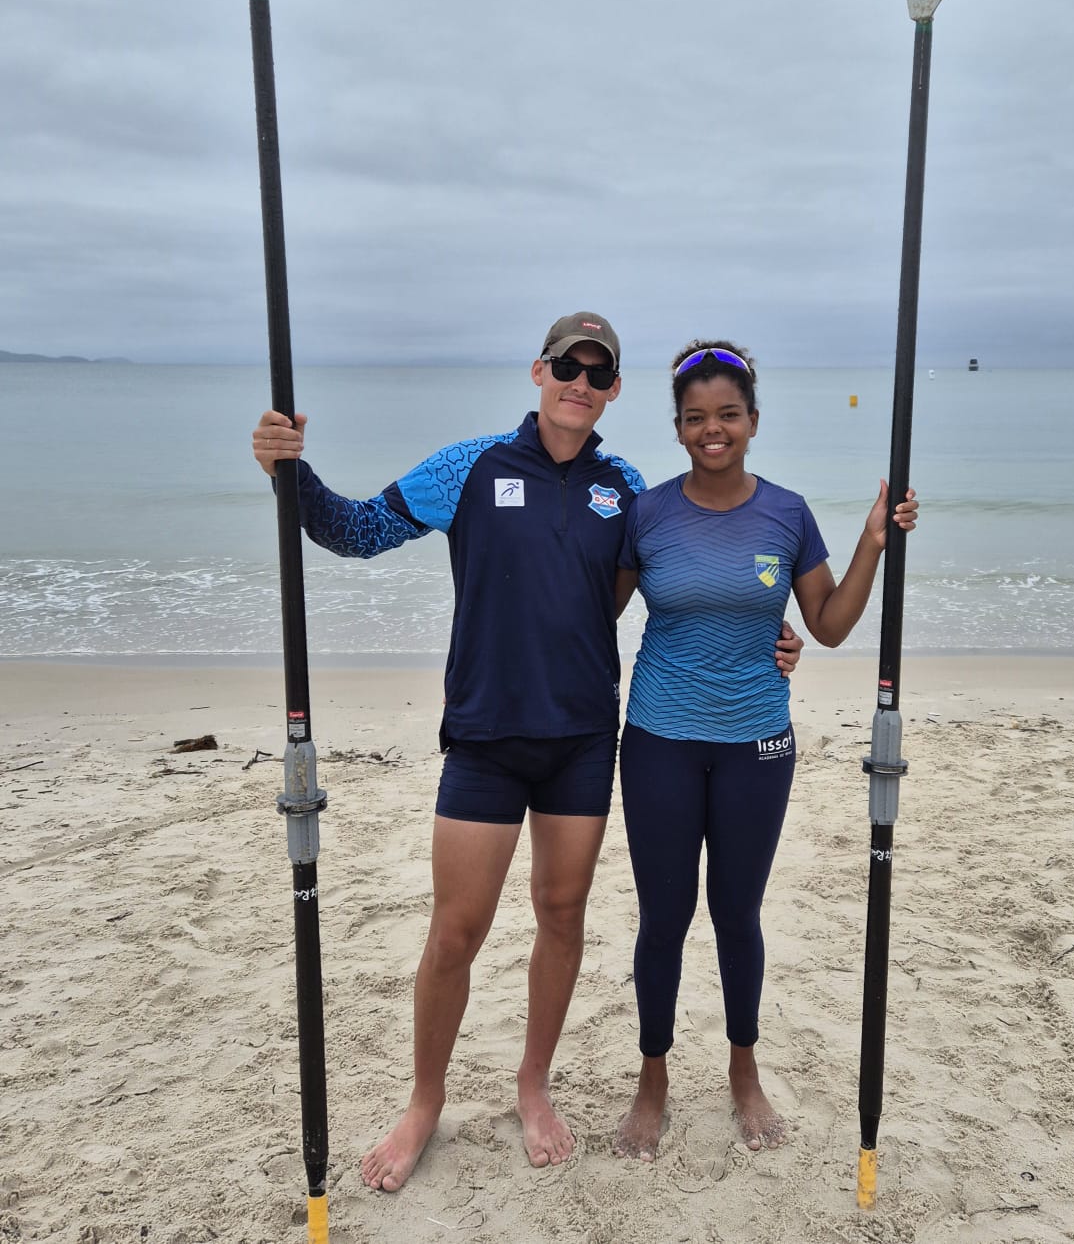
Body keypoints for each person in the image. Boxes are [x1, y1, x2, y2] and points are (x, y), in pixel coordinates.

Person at [251, 313, 802, 1190]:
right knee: (455, 932)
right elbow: (354, 530)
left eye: (598, 371)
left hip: (583, 740)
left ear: (614, 388)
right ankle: (423, 1100)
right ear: (538, 369)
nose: (579, 381)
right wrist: (291, 470)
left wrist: (770, 639)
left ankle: (533, 1083)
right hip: (483, 736)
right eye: (566, 365)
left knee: (561, 914)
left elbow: (687, 578)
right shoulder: (469, 466)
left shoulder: (624, 488)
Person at [611, 341, 918, 1163]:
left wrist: (873, 543)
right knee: (664, 919)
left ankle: (745, 1070)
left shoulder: (786, 511)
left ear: (752, 421)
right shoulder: (647, 513)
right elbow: (590, 610)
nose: (713, 430)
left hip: (756, 741)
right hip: (658, 740)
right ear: (677, 428)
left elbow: (828, 623)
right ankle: (654, 1077)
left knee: (736, 913)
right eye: (696, 417)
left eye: (728, 415)